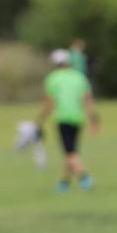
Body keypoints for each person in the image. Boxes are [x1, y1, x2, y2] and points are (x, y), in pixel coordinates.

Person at [39, 48, 99, 192]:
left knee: (70, 152)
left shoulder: (53, 78)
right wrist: (93, 119)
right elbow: (88, 100)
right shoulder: (79, 77)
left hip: (63, 118)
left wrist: (39, 121)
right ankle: (64, 182)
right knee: (72, 152)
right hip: (78, 118)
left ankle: (84, 178)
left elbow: (49, 103)